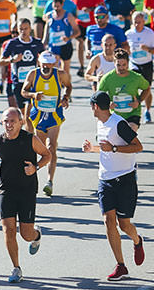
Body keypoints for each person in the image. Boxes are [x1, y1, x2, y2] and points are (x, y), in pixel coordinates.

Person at [83, 91, 145, 281]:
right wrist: (92, 149)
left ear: (95, 106)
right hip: (105, 180)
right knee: (109, 221)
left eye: (91, 106)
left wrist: (115, 148)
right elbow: (106, 148)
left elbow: (138, 146)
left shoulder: (119, 124)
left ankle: (137, 240)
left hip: (125, 179)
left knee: (124, 224)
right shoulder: (99, 123)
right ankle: (121, 265)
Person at [0, 107, 50, 283]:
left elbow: (47, 154)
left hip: (27, 190)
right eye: (6, 121)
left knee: (26, 234)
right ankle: (16, 268)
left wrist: (36, 167)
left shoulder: (30, 139)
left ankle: (36, 235)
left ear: (21, 122)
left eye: (13, 121)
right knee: (8, 230)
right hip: (6, 189)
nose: (9, 125)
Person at [20, 51, 73, 197]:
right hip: (38, 116)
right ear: (39, 62)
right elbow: (23, 91)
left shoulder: (60, 74)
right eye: (44, 63)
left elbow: (68, 86)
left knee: (51, 147)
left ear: (54, 63)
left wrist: (65, 97)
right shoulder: (33, 74)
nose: (46, 66)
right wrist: (33, 95)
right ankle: (32, 179)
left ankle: (49, 181)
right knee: (38, 149)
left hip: (54, 115)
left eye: (49, 63)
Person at [97, 48, 151, 131]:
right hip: (114, 115)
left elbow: (147, 88)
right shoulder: (107, 78)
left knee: (129, 133)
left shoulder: (136, 77)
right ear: (114, 63)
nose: (121, 68)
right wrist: (108, 104)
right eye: (118, 65)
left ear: (128, 63)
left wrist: (138, 101)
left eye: (124, 65)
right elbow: (99, 95)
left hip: (133, 113)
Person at [0, 19, 46, 111]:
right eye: (21, 29)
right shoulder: (13, 43)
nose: (23, 31)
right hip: (18, 82)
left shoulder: (36, 43)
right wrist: (12, 59)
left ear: (30, 29)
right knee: (22, 110)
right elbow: (0, 61)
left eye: (25, 29)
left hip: (32, 82)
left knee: (30, 110)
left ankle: (29, 124)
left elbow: (44, 57)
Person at [124, 11, 154, 123]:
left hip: (146, 63)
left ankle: (147, 110)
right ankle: (134, 109)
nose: (137, 25)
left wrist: (148, 49)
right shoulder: (128, 34)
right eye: (135, 22)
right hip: (134, 63)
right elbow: (124, 49)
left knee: (147, 88)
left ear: (144, 22)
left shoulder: (150, 33)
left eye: (139, 22)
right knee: (132, 86)